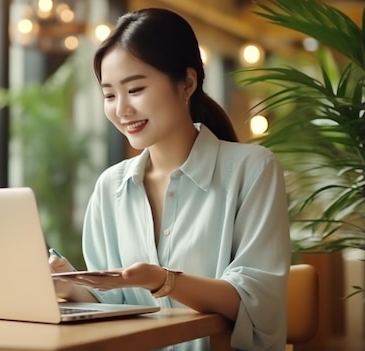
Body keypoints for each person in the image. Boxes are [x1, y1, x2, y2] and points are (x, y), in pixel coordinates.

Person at [49, 7, 291, 351]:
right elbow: (115, 300)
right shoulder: (109, 187)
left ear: (188, 83)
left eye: (135, 89)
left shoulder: (252, 169)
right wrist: (70, 286)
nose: (121, 109)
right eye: (109, 95)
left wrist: (164, 281)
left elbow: (257, 303)